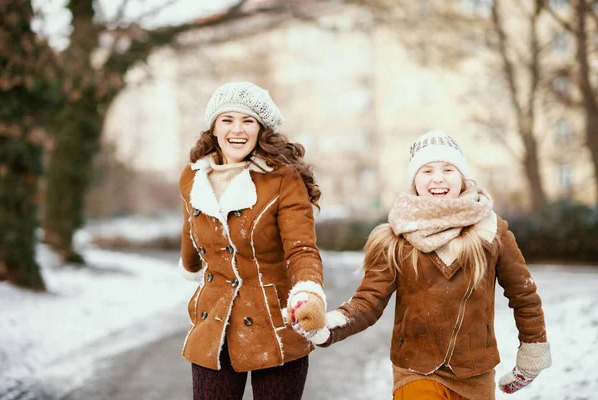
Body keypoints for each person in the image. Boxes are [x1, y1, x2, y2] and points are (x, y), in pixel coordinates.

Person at [313, 131, 551, 399]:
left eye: (448, 169)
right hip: (416, 369)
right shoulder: (396, 238)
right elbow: (369, 300)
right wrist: (330, 325)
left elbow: (524, 295)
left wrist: (533, 350)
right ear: (414, 181)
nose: (438, 178)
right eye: (427, 170)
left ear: (463, 177)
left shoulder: (492, 232)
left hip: (475, 371)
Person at [178, 81, 328, 400]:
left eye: (248, 121)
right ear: (214, 128)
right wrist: (189, 263)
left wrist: (308, 290)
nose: (238, 129)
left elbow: (301, 249)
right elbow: (190, 232)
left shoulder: (282, 179)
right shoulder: (192, 177)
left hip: (275, 326)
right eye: (227, 120)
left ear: (261, 130)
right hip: (213, 322)